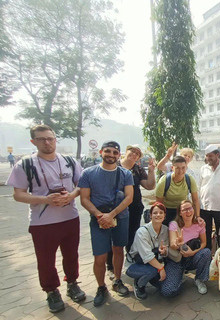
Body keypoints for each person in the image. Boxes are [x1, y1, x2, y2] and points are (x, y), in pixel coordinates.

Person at [6, 125, 85, 313]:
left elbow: (81, 185)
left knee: (71, 255)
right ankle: (51, 291)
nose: (47, 142)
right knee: (45, 260)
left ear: (55, 139)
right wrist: (45, 199)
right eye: (41, 139)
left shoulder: (69, 161)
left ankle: (72, 283)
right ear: (33, 141)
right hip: (42, 223)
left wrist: (71, 196)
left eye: (50, 138)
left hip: (70, 218)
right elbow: (18, 194)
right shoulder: (25, 164)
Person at [78, 141, 134, 307]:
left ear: (119, 155)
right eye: (108, 151)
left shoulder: (125, 174)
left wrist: (112, 215)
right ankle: (101, 287)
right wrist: (100, 216)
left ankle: (117, 280)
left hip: (120, 218)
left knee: (118, 249)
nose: (111, 155)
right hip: (98, 220)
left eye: (115, 152)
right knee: (100, 256)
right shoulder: (88, 173)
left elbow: (129, 197)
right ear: (101, 152)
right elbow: (84, 199)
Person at [106, 144, 157, 280]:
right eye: (132, 151)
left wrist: (151, 170)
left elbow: (149, 185)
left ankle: (130, 261)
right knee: (113, 239)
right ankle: (111, 267)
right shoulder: (114, 165)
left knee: (131, 235)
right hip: (114, 209)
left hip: (134, 208)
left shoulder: (138, 169)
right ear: (125, 152)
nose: (134, 154)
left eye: (137, 153)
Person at [165, 200, 211, 296]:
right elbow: (173, 244)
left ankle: (199, 279)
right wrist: (179, 244)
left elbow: (204, 243)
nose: (188, 211)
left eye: (190, 208)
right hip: (177, 259)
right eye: (184, 210)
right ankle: (179, 278)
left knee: (206, 252)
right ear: (180, 213)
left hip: (192, 257)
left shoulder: (199, 224)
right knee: (169, 291)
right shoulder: (174, 224)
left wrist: (193, 253)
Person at [126, 202, 169, 300]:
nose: (158, 215)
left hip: (153, 262)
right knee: (153, 271)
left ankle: (151, 277)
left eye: (161, 212)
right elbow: (147, 256)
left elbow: (166, 250)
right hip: (135, 264)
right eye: (155, 213)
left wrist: (164, 251)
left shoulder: (165, 230)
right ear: (150, 215)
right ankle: (139, 284)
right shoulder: (142, 232)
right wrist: (161, 269)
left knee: (163, 287)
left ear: (165, 215)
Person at [198, 145, 220, 250]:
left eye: (210, 156)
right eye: (207, 156)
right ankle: (207, 259)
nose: (208, 158)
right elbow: (199, 187)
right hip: (205, 207)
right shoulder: (203, 169)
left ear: (217, 155)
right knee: (205, 234)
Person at [155, 155, 202, 227]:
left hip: (183, 211)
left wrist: (197, 216)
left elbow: (195, 200)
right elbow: (159, 203)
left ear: (186, 167)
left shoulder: (189, 179)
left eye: (183, 168)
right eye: (177, 168)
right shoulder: (164, 181)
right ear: (172, 168)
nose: (180, 171)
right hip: (167, 211)